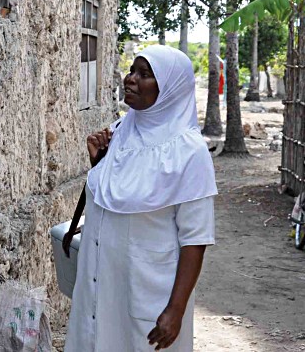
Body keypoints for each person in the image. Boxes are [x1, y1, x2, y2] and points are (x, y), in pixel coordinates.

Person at [64, 45, 217, 351]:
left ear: (170, 89)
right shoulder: (120, 131)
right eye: (132, 70)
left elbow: (195, 240)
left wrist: (175, 311)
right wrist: (99, 164)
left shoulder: (189, 151)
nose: (130, 79)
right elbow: (116, 198)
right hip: (100, 285)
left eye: (144, 74)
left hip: (149, 293)